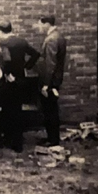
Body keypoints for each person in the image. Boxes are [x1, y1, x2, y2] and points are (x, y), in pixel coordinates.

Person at [0, 20, 40, 152]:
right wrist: (26, 66)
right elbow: (35, 54)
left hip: (9, 80)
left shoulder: (3, 43)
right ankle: (18, 142)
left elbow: (6, 60)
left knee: (7, 110)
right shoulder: (22, 41)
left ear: (0, 31)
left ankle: (8, 140)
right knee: (18, 110)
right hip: (21, 78)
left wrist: (8, 74)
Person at [37, 16, 67, 147]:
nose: (39, 27)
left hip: (50, 82)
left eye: (40, 24)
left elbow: (50, 64)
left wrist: (46, 84)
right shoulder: (58, 36)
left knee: (50, 110)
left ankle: (52, 139)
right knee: (51, 109)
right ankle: (51, 137)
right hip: (54, 80)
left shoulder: (51, 39)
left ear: (47, 24)